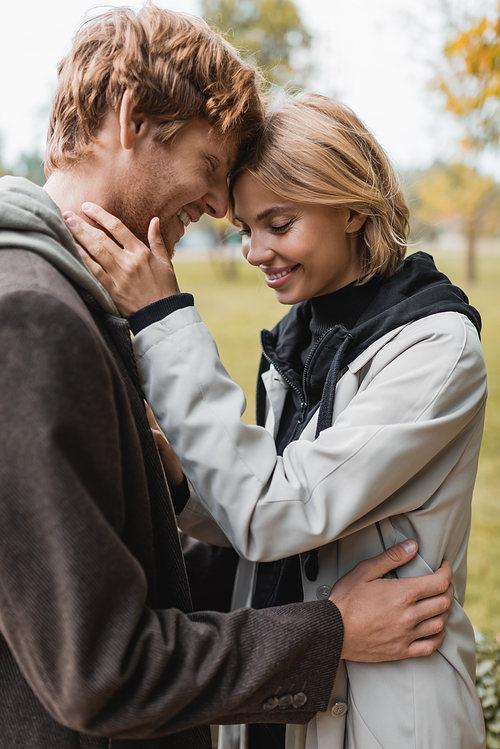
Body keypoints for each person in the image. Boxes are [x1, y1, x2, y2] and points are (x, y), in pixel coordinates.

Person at [0, 8, 456, 749]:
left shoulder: (60, 302)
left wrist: (176, 489)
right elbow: (106, 668)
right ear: (134, 117)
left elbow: (121, 571)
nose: (216, 208)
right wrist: (328, 630)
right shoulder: (31, 317)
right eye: (212, 169)